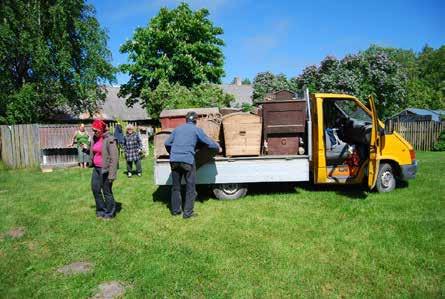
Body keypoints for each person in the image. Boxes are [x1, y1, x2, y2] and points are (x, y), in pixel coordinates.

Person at [164, 111, 221, 219]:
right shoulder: (196, 129)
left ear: (186, 120)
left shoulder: (177, 129)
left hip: (174, 160)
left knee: (176, 187)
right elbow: (208, 142)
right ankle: (187, 213)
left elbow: (167, 143)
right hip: (187, 161)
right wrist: (217, 146)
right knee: (190, 188)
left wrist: (173, 152)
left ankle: (175, 211)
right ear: (195, 121)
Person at [90, 119, 119, 219]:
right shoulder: (95, 138)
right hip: (97, 169)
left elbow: (114, 157)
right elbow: (94, 151)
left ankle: (110, 213)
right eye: (93, 130)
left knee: (106, 191)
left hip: (106, 169)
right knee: (95, 189)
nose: (94, 132)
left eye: (96, 130)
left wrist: (112, 174)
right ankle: (101, 210)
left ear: (101, 129)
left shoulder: (109, 139)